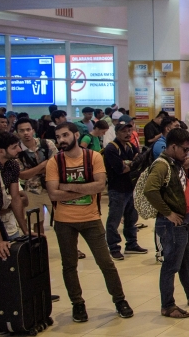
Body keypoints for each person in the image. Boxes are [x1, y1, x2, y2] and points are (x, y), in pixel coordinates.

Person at [46, 123, 133, 323]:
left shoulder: (93, 157)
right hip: (64, 221)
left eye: (65, 135)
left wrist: (67, 187)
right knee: (69, 265)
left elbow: (100, 186)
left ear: (76, 135)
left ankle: (120, 301)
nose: (62, 140)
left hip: (91, 218)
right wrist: (84, 188)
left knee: (106, 262)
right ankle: (77, 304)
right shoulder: (54, 162)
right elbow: (53, 193)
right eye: (58, 137)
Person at [143, 128, 189, 318]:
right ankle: (168, 305)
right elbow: (150, 190)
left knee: (185, 261)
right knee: (171, 265)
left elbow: (174, 188)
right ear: (172, 146)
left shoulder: (174, 164)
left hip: (181, 221)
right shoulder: (161, 165)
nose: (187, 153)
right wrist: (168, 213)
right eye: (184, 149)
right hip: (170, 224)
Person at [0, 132, 29, 331]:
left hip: (1, 215)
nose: (19, 150)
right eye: (14, 147)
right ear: (1, 150)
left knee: (6, 263)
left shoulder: (12, 164)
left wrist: (26, 230)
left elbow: (16, 198)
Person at [103, 118, 146, 260]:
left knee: (131, 218)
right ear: (116, 132)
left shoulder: (131, 146)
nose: (128, 133)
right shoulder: (111, 148)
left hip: (131, 187)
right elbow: (121, 169)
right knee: (114, 219)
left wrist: (132, 164)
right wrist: (133, 163)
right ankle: (114, 247)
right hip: (117, 189)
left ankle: (131, 243)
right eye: (124, 131)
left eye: (129, 130)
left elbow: (137, 165)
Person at [15, 118, 57, 217]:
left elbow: (56, 165)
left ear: (33, 130)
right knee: (36, 223)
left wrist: (30, 171)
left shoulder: (47, 144)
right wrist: (42, 165)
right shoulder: (17, 150)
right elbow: (22, 175)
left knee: (61, 220)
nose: (26, 133)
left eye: (28, 130)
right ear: (17, 133)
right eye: (21, 131)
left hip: (52, 187)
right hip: (31, 190)